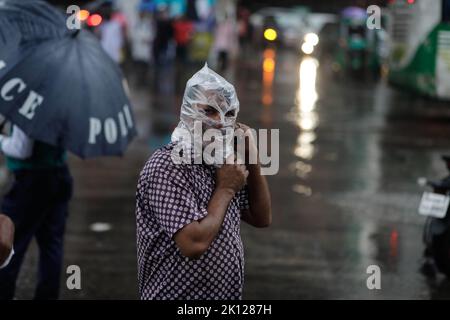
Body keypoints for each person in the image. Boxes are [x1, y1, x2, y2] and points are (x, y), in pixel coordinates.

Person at [136, 64, 271, 300]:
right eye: (209, 111)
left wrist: (252, 159)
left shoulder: (221, 163)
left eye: (228, 113)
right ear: (188, 113)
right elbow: (193, 244)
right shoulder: (167, 166)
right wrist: (226, 189)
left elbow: (261, 217)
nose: (220, 122)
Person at [0, 125, 73, 300]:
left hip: (30, 180)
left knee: (8, 246)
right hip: (59, 174)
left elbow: (21, 149)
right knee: (52, 247)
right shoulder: (61, 100)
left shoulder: (28, 102)